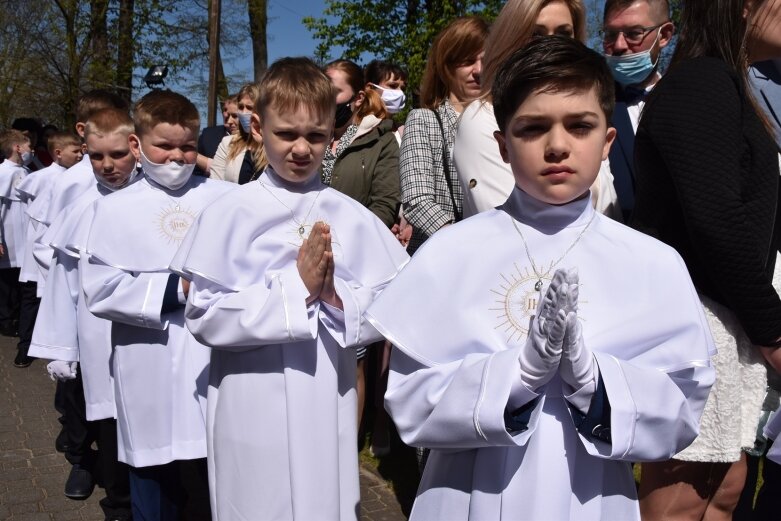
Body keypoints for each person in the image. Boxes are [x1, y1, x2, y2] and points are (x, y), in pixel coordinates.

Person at [366, 36, 716, 521]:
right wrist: (516, 377)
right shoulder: (451, 252)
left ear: (607, 141)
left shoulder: (651, 262)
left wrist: (594, 382)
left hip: (590, 494)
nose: (557, 146)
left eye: (580, 126)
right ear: (503, 145)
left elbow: (680, 410)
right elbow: (408, 401)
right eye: (533, 129)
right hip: (468, 494)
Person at [171, 56, 409, 520]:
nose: (301, 148)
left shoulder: (350, 215)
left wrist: (340, 300)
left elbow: (392, 300)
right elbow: (204, 315)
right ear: (258, 127)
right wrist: (294, 289)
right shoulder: (230, 213)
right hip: (250, 395)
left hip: (326, 391)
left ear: (332, 135)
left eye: (316, 136)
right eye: (287, 134)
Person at [630, 1, 781, 519]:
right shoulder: (701, 83)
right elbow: (716, 219)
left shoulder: (726, 83)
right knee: (682, 496)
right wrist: (774, 330)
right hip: (695, 323)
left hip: (725, 318)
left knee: (727, 485)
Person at [79, 90, 234, 520]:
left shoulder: (222, 198)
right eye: (163, 146)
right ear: (137, 145)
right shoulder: (111, 210)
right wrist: (175, 291)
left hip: (210, 357)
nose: (177, 158)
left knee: (212, 477)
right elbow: (100, 288)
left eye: (187, 146)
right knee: (153, 474)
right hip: (146, 358)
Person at [29, 108, 137, 519]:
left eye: (116, 155)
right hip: (93, 332)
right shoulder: (79, 202)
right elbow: (61, 277)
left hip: (147, 333)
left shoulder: (157, 197)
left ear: (135, 147)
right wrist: (61, 346)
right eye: (96, 156)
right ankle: (99, 479)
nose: (107, 166)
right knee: (97, 411)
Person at [453, 0, 621, 221]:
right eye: (536, 34)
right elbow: (518, 227)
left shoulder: (594, 112)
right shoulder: (482, 116)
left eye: (579, 127)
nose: (558, 145)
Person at [400, 16, 489, 255]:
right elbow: (416, 199)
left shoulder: (502, 123)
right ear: (447, 68)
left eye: (485, 60)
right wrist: (462, 242)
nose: (478, 70)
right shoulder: (424, 120)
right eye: (468, 61)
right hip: (439, 254)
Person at [13, 131, 82, 368]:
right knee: (32, 298)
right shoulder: (46, 177)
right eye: (76, 151)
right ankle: (24, 348)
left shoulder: (77, 176)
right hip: (42, 245)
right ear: (59, 152)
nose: (80, 155)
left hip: (60, 247)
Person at [601, 0, 674, 221]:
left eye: (634, 33)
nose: (620, 45)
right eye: (611, 34)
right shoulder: (595, 107)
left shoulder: (691, 100)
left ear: (664, 35)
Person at [0, 129, 31, 345]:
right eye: (29, 146)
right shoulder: (3, 172)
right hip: (8, 232)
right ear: (17, 148)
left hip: (25, 234)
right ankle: (4, 319)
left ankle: (17, 318)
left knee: (20, 278)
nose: (32, 150)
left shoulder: (27, 171)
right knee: (6, 282)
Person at [209, 84, 267, 183]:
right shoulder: (228, 143)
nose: (244, 112)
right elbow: (215, 183)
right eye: (240, 107)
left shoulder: (274, 145)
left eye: (249, 107)